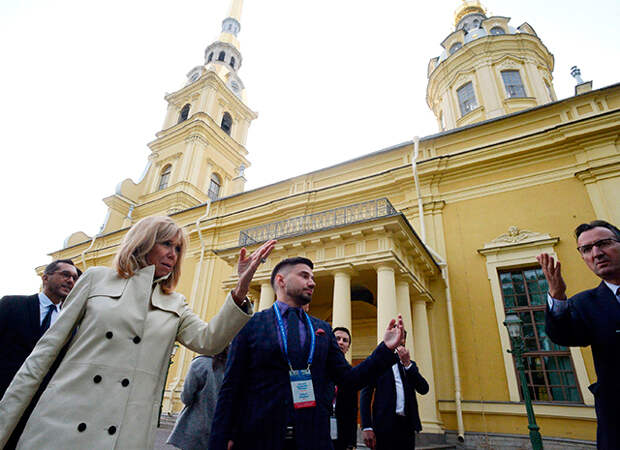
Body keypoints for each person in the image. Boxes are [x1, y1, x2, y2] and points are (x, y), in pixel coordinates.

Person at [0, 216, 276, 449]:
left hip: (124, 434)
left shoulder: (175, 303)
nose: (173, 254)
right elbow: (43, 355)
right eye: (166, 243)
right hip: (62, 425)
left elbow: (209, 341)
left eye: (178, 248)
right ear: (143, 242)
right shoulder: (95, 278)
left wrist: (240, 290)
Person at [209, 256, 405, 450]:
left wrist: (385, 349)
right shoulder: (250, 325)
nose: (311, 282)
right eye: (304, 276)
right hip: (258, 439)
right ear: (281, 280)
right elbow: (231, 387)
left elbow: (349, 379)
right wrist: (221, 439)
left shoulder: (322, 330)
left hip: (313, 440)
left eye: (312, 277)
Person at [537, 220, 620, 450]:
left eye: (604, 243)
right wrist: (557, 295)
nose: (597, 253)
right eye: (587, 249)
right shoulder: (586, 303)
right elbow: (563, 335)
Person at [0, 259, 80, 400]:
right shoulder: (12, 304)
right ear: (45, 277)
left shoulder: (71, 323)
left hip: (41, 400)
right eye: (65, 274)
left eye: (74, 278)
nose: (70, 281)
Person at [360, 331, 429, 450]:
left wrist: (407, 364)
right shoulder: (377, 364)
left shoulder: (410, 365)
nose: (398, 341)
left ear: (404, 341)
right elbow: (365, 394)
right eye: (396, 337)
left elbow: (423, 389)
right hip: (383, 426)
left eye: (402, 338)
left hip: (407, 427)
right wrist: (366, 426)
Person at [167, 347, 229, 450]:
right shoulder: (230, 366)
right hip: (218, 430)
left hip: (194, 428)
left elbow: (186, 398)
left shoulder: (200, 364)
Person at [331, 327, 358, 450]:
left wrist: (352, 442)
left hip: (341, 433)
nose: (341, 342)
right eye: (337, 339)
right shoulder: (318, 367)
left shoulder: (351, 373)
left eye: (345, 340)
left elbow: (352, 410)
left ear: (348, 347)